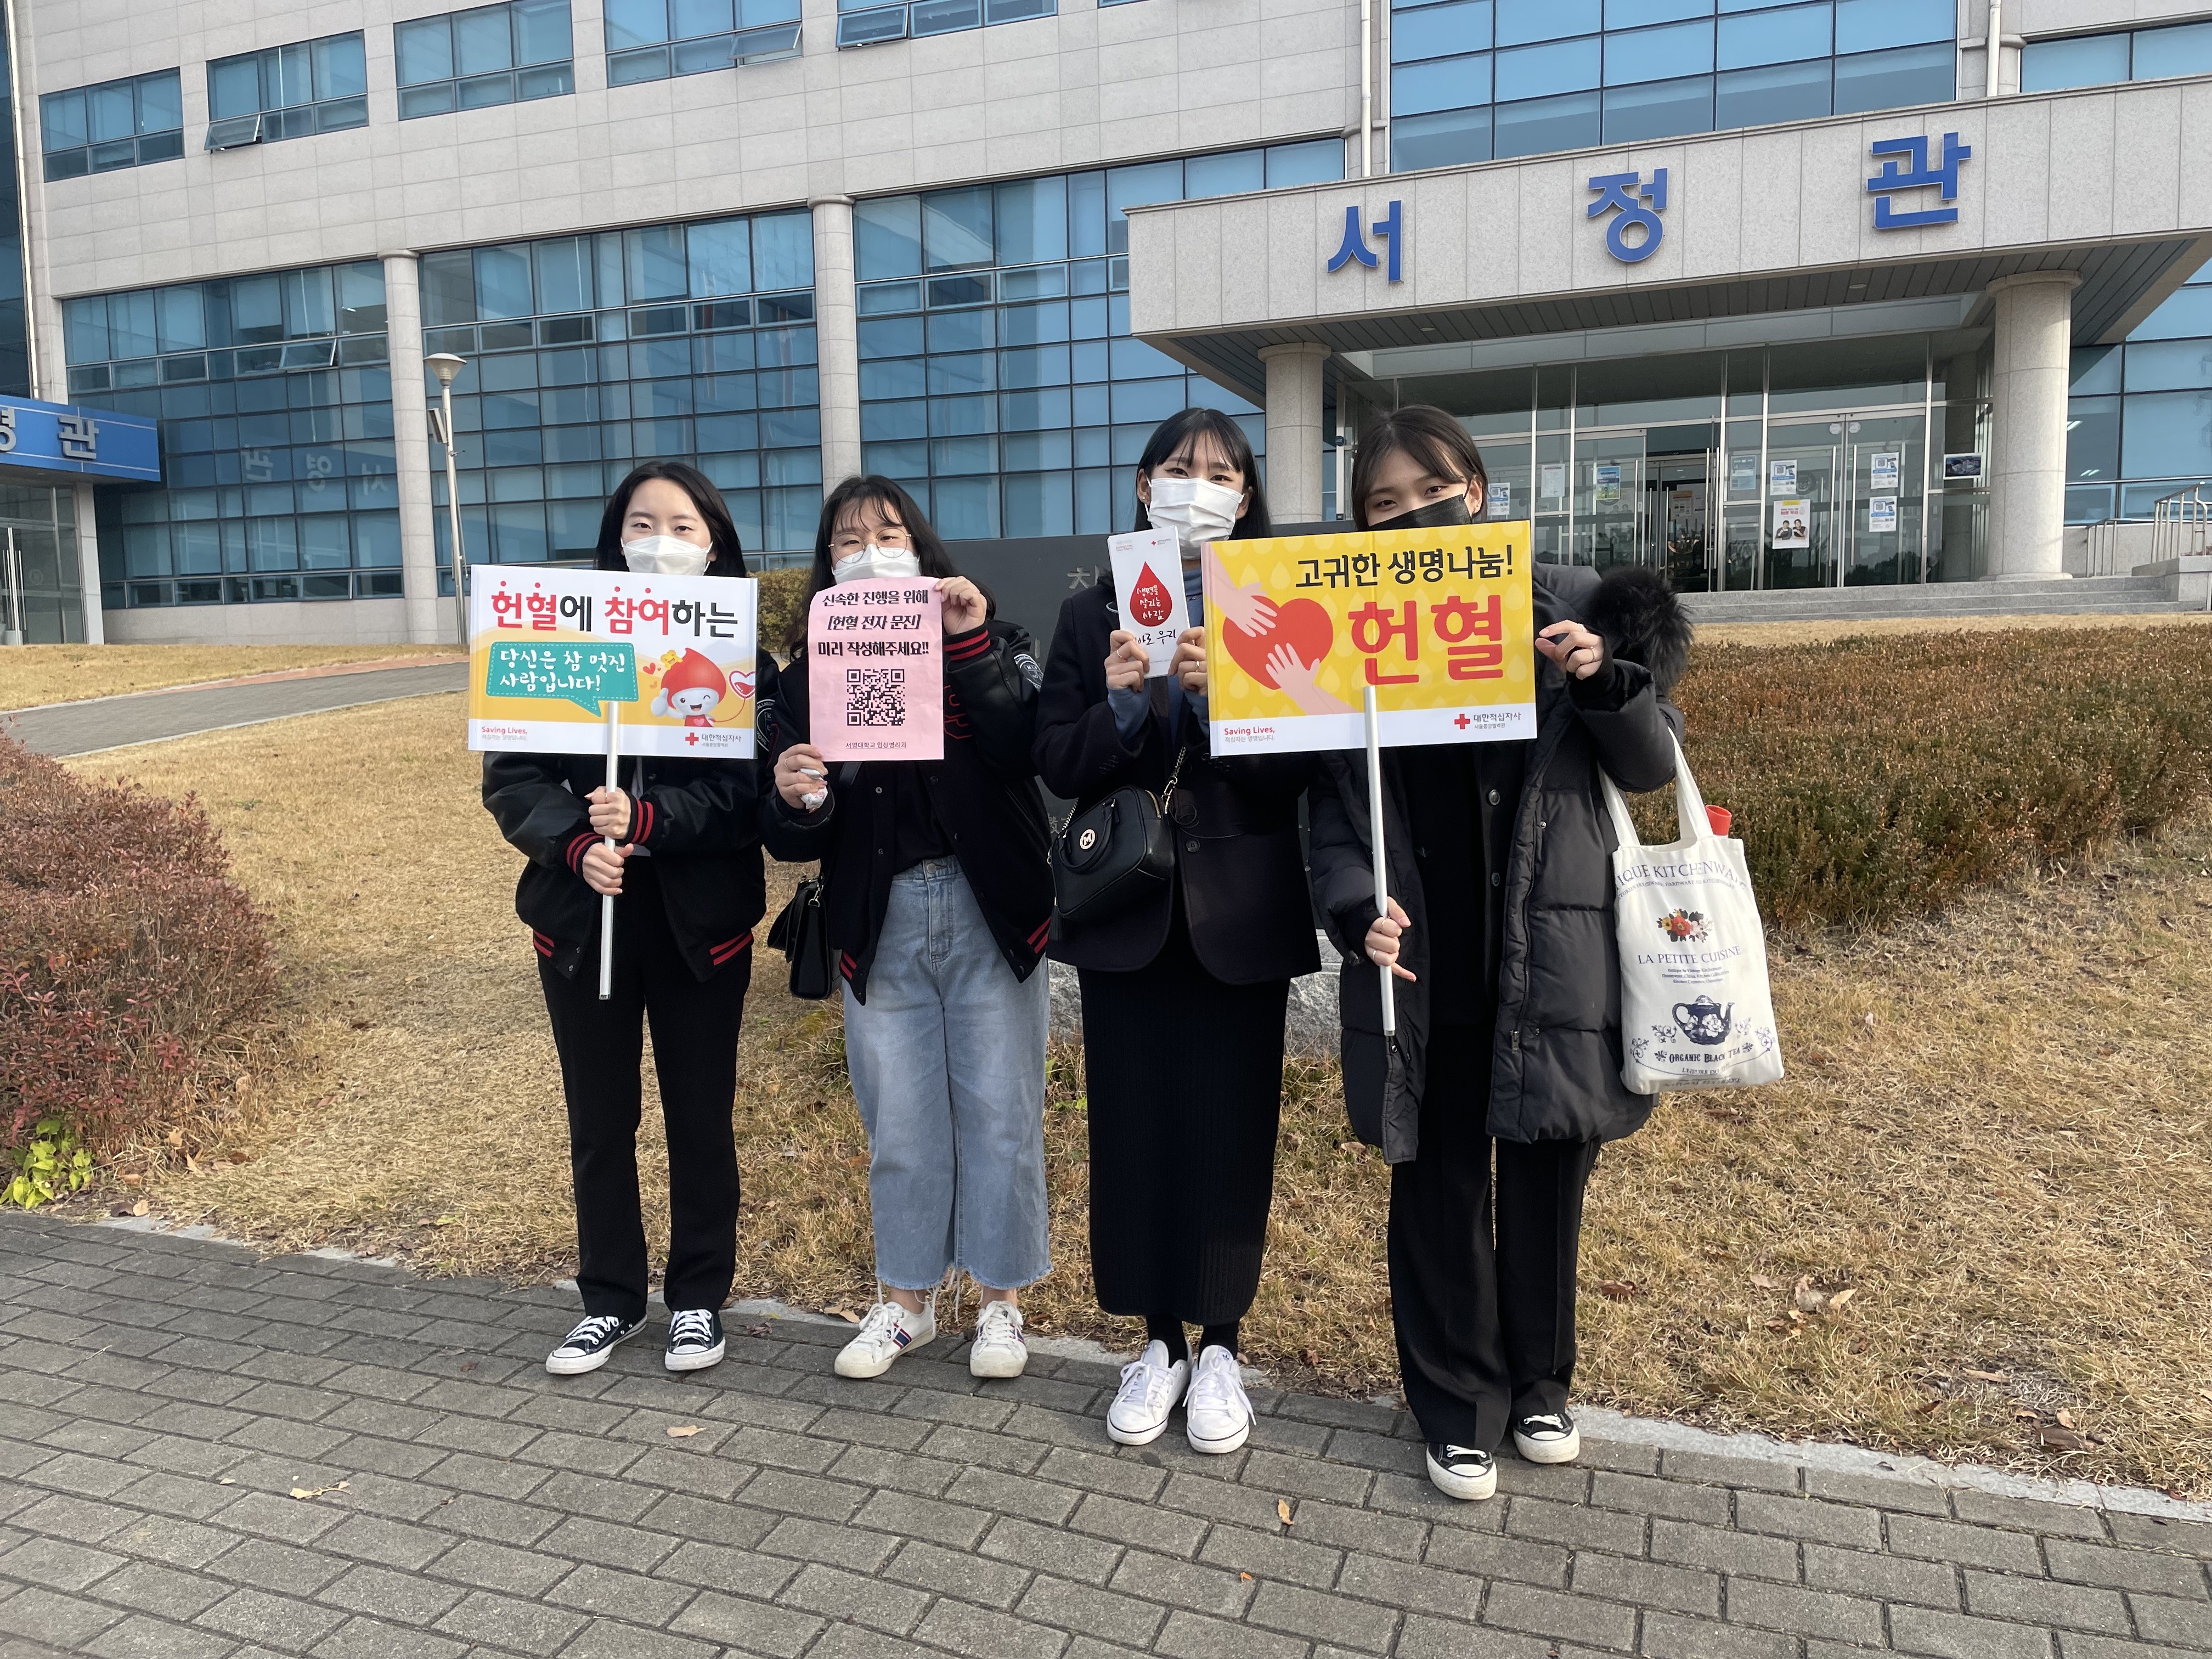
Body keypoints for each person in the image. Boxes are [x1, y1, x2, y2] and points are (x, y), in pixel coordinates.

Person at [1306, 405, 1691, 1500]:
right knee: (1436, 1185)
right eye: (1383, 505)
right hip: (1423, 957)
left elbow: (1650, 766)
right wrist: (1354, 906)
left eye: (1432, 492)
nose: (1412, 516)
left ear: (1476, 491)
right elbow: (1332, 808)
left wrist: (1600, 677)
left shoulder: (1569, 602)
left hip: (1550, 950)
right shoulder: (1352, 623)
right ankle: (1454, 1404)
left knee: (1545, 1177)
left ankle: (1540, 1386)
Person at [1034, 408, 1318, 1455]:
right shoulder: (1093, 611)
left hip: (1239, 911)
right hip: (1129, 913)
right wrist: (1119, 708)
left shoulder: (1275, 603)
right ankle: (1156, 1341)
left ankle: (1224, 1345)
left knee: (1233, 1128)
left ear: (1246, 496)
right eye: (1178, 467)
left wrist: (1225, 700)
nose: (1198, 485)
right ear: (1144, 484)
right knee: (1135, 1125)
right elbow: (1055, 761)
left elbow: (1302, 768)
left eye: (1221, 472)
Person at [483, 460, 774, 1378]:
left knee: (701, 1118)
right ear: (615, 539)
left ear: (714, 545)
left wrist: (649, 819)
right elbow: (513, 777)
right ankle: (610, 1299)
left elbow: (747, 798)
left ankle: (698, 1297)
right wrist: (575, 842)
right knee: (600, 1121)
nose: (659, 542)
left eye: (683, 527)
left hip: (700, 924)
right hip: (584, 919)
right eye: (641, 525)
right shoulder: (558, 638)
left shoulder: (741, 656)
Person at [764, 476, 1054, 1382]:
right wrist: (798, 794)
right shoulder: (806, 674)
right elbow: (788, 832)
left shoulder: (993, 639)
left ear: (922, 549)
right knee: (900, 1121)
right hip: (879, 913)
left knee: (1002, 1114)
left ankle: (1001, 1302)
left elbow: (1028, 749)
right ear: (827, 565)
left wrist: (966, 644)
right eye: (848, 542)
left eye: (889, 535)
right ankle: (907, 1301)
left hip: (989, 907)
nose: (871, 554)